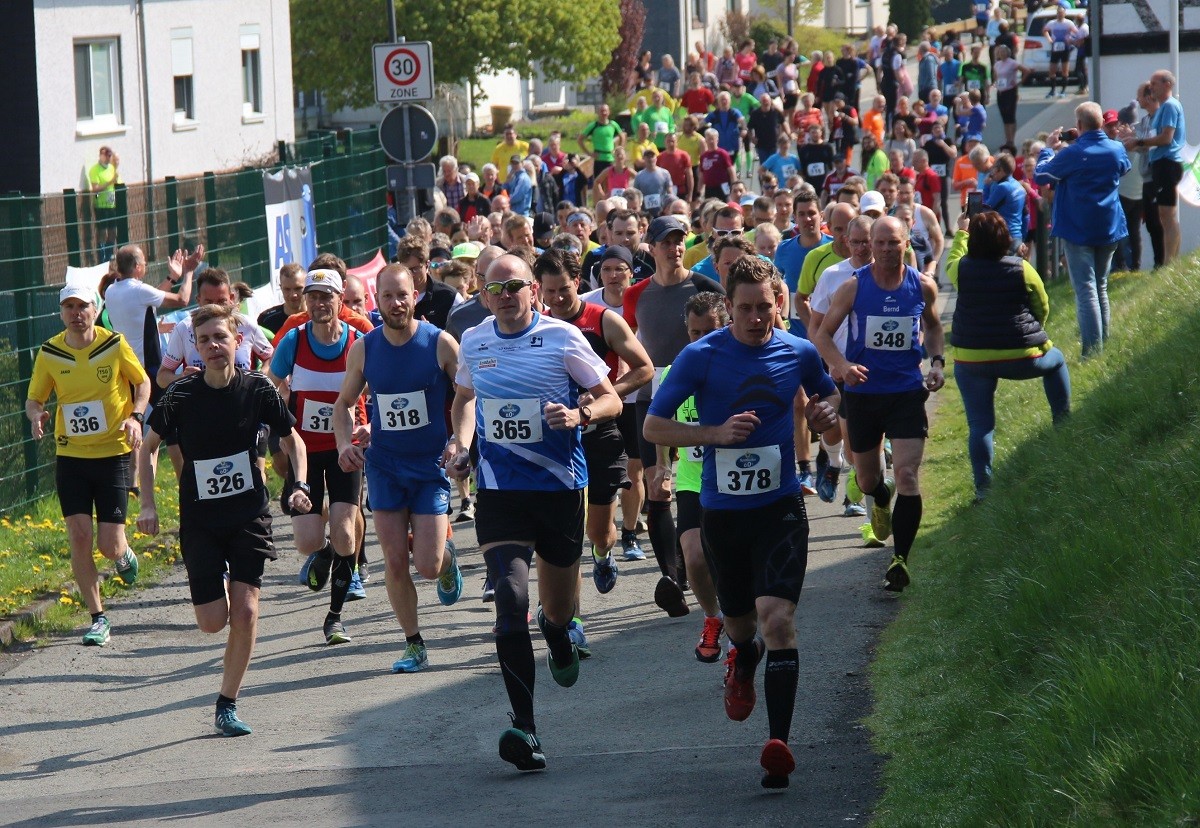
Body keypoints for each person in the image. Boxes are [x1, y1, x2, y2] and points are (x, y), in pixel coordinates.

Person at [645, 255, 839, 789]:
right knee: (742, 627)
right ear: (728, 306)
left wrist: (826, 413)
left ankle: (778, 744)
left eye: (765, 307)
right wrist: (713, 434)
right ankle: (743, 655)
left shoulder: (797, 350)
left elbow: (828, 395)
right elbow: (655, 426)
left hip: (780, 508)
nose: (756, 318)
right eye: (746, 308)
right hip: (724, 514)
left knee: (778, 619)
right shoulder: (699, 356)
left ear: (779, 303)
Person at [447, 254, 623, 772]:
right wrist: (460, 443)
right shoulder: (474, 341)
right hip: (500, 492)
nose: (505, 295)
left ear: (533, 291)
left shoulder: (563, 338)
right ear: (483, 295)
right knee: (509, 600)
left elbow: (610, 398)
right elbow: (463, 399)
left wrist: (579, 413)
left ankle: (556, 629)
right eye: (494, 288)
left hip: (559, 489)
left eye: (514, 286)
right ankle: (525, 728)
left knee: (559, 609)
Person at [137, 303, 312, 736]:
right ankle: (222, 588)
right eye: (205, 340)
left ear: (238, 341)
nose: (214, 346)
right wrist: (147, 504)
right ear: (195, 349)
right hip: (200, 518)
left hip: (249, 513)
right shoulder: (182, 394)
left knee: (247, 610)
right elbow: (148, 447)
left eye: (221, 337)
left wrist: (300, 485)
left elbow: (294, 440)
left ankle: (227, 703)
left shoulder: (258, 389)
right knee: (213, 622)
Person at [332, 263, 465, 670]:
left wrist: (459, 440)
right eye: (387, 296)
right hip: (385, 466)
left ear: (415, 296)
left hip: (428, 467)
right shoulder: (365, 348)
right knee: (393, 559)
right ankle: (413, 643)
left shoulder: (439, 343)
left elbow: (467, 395)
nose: (395, 303)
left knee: (427, 565)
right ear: (378, 300)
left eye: (402, 295)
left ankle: (447, 561)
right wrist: (343, 443)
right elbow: (343, 404)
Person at [812, 216, 946, 593]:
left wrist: (937, 363)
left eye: (894, 242)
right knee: (867, 479)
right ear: (871, 244)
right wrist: (842, 366)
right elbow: (822, 335)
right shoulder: (853, 287)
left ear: (906, 244)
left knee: (907, 475)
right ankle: (880, 496)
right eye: (880, 243)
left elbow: (934, 327)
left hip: (906, 393)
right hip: (864, 395)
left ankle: (900, 560)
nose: (887, 249)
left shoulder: (922, 286)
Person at [534, 248, 652, 653]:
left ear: (578, 283)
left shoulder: (602, 320)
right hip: (554, 443)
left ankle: (604, 553)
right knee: (563, 538)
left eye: (563, 290)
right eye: (549, 292)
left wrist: (603, 396)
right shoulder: (536, 325)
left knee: (597, 531)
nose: (556, 299)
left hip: (600, 435)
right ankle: (572, 622)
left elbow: (644, 367)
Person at [26, 284, 149, 646]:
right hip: (72, 457)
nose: (76, 313)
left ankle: (122, 553)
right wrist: (36, 415)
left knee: (109, 545)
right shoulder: (50, 352)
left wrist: (136, 417)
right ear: (61, 313)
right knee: (79, 537)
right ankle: (98, 618)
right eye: (69, 306)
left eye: (82, 306)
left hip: (112, 455)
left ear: (95, 310)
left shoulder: (114, 345)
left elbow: (142, 383)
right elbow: (34, 399)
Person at [622, 216, 724, 616]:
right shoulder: (636, 294)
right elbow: (630, 341)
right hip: (655, 395)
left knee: (700, 478)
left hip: (702, 393)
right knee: (657, 485)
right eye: (666, 241)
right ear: (651, 248)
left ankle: (699, 560)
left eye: (680, 241)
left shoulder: (703, 288)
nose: (675, 247)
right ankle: (672, 578)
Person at [267, 269, 371, 643]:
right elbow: (272, 385)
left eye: (327, 296)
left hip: (345, 448)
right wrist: (279, 429)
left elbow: (379, 388)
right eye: (313, 296)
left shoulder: (357, 342)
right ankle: (324, 553)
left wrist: (370, 426)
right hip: (305, 451)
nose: (319, 303)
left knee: (344, 532)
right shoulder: (294, 340)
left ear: (340, 300)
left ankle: (335, 618)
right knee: (307, 542)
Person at [945, 211, 1071, 501]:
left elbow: (952, 258)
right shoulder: (1021, 268)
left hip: (972, 360)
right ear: (1005, 239)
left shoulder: (961, 269)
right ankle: (1063, 423)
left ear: (973, 241)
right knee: (1057, 361)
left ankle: (983, 490)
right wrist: (1035, 331)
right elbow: (1042, 304)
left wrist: (962, 232)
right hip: (1022, 354)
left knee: (980, 425)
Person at [1034, 102, 1130, 358]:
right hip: (1109, 226)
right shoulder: (1116, 148)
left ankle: (1092, 352)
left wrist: (1048, 149)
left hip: (1078, 228)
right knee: (1101, 287)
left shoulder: (1073, 153)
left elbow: (1041, 175)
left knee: (1086, 290)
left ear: (1079, 125)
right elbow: (1124, 168)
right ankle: (1103, 346)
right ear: (1102, 123)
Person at [1132, 70, 1186, 266]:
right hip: (1162, 164)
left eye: (1154, 83)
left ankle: (1170, 262)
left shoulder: (1170, 106)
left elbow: (1166, 138)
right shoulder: (1164, 107)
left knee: (1167, 215)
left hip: (1167, 163)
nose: (1151, 87)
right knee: (1164, 215)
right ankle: (1169, 261)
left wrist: (1138, 142)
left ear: (1167, 85)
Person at [88, 146, 121, 262]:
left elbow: (117, 182)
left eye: (109, 155)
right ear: (101, 156)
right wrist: (109, 183)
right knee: (102, 232)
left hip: (112, 204)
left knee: (113, 231)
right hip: (101, 205)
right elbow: (95, 189)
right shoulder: (94, 170)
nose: (108, 157)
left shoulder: (112, 168)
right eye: (106, 155)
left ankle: (108, 255)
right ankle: (101, 259)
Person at [257, 263, 306, 337]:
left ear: (307, 286)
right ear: (281, 288)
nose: (293, 295)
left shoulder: (316, 317)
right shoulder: (266, 320)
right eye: (287, 289)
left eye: (298, 288)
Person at [578, 105, 625, 179]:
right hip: (599, 159)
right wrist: (589, 153)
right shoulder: (593, 126)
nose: (604, 113)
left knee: (611, 182)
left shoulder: (613, 124)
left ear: (609, 112)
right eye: (602, 111)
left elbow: (622, 137)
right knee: (598, 182)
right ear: (598, 113)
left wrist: (618, 151)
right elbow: (580, 140)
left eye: (605, 111)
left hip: (610, 159)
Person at [1043, 6, 1078, 100]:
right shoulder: (1052, 23)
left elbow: (1076, 32)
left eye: (1062, 13)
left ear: (1064, 13)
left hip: (1065, 48)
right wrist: (1049, 39)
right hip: (1055, 48)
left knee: (1064, 70)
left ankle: (1063, 90)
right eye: (1058, 13)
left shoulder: (1068, 23)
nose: (1060, 14)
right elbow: (1045, 30)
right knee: (1052, 70)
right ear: (1056, 14)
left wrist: (1070, 39)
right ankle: (1053, 90)